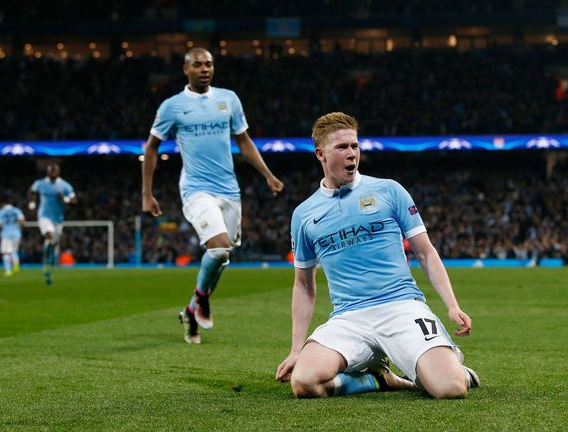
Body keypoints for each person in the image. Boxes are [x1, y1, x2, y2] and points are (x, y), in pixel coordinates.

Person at [276, 112, 479, 399]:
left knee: (450, 388)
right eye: (342, 147)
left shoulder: (389, 190)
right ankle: (378, 380)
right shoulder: (304, 215)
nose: (351, 154)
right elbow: (304, 285)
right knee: (304, 382)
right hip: (349, 317)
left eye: (355, 146)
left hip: (401, 307)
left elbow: (426, 252)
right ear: (321, 154)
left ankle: (454, 369)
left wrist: (452, 305)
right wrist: (297, 348)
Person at [142, 47, 284, 344]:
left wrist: (267, 174)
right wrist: (147, 193)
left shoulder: (228, 99)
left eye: (209, 64)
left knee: (223, 257)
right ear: (186, 70)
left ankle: (191, 310)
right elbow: (151, 147)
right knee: (218, 248)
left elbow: (243, 141)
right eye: (198, 65)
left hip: (229, 190)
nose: (205, 69)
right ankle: (202, 299)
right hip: (196, 189)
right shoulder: (172, 106)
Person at [27, 164, 76, 285]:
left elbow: (74, 201)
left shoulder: (65, 185)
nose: (53, 172)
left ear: (59, 172)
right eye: (51, 170)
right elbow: (31, 192)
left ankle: (49, 255)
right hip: (44, 216)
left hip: (58, 219)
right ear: (47, 172)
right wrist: (32, 204)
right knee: (49, 234)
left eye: (55, 170)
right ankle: (46, 258)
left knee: (53, 241)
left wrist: (64, 199)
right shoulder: (40, 183)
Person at [0, 203, 25, 276]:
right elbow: (22, 221)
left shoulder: (1, 212)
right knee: (14, 251)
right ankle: (16, 263)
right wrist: (19, 227)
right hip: (17, 233)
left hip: (6, 234)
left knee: (6, 253)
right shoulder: (17, 210)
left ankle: (8, 271)